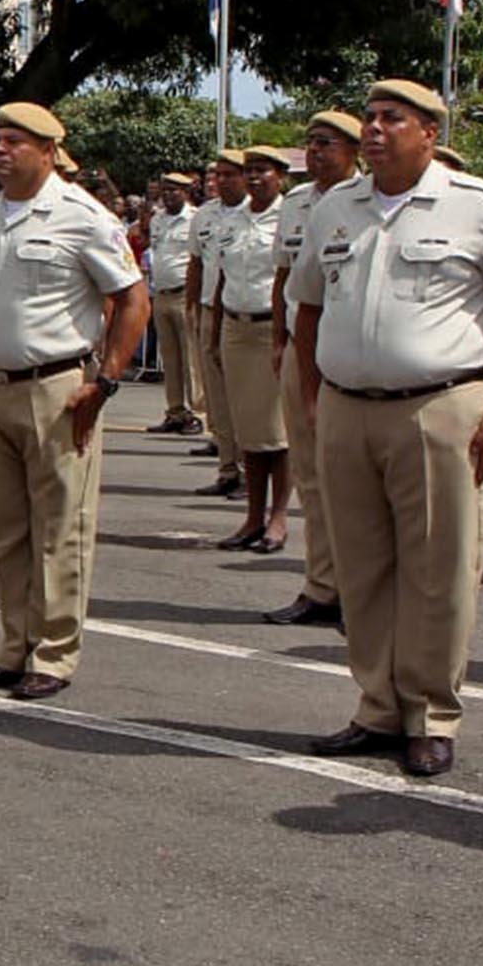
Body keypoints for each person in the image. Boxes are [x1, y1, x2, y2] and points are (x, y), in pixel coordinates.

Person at [288, 80, 483, 779]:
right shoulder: (337, 207)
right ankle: (375, 707)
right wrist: (315, 397)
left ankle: (430, 714)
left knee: (439, 569)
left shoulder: (479, 207)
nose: (373, 130)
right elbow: (307, 306)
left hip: (441, 405)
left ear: (429, 132)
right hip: (347, 406)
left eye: (391, 119)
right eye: (368, 118)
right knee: (362, 566)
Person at [0, 102, 147, 701]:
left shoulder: (81, 216)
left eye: (14, 141)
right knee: (7, 530)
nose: (0, 150)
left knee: (61, 527)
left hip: (57, 388)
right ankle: (14, 645)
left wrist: (106, 380)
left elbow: (132, 298)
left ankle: (54, 653)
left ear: (47, 151)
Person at [265, 112, 360, 625]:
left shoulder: (365, 201)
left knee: (349, 479)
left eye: (327, 143)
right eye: (311, 143)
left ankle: (357, 589)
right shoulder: (297, 204)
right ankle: (322, 586)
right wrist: (278, 339)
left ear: (353, 150)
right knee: (310, 470)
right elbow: (284, 276)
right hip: (302, 345)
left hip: (345, 351)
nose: (317, 152)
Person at [210, 147, 292, 552]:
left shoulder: (289, 217)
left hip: (270, 330)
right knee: (248, 432)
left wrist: (284, 337)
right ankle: (252, 517)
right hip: (234, 326)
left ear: (281, 177)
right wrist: (213, 336)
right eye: (250, 171)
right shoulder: (232, 220)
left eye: (263, 171)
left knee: (277, 433)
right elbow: (222, 277)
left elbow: (291, 280)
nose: (255, 178)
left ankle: (278, 518)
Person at [187, 151, 248, 497]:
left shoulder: (259, 214)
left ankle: (248, 469)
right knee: (217, 397)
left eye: (229, 175)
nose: (220, 182)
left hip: (241, 313)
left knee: (245, 398)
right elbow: (196, 263)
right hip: (210, 310)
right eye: (217, 175)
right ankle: (227, 468)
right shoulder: (205, 216)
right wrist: (193, 309)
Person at [145, 174, 203, 435]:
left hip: (184, 294)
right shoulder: (158, 219)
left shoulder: (196, 219)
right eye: (165, 190)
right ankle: (175, 410)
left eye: (174, 191)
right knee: (170, 359)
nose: (168, 195)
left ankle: (197, 413)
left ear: (186, 192)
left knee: (190, 357)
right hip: (161, 293)